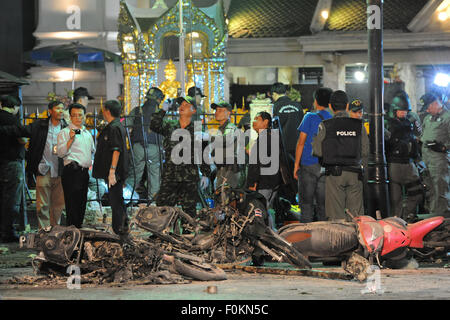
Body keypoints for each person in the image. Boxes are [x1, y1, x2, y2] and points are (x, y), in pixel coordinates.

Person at [312, 90, 369, 221]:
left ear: (331, 106)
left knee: (336, 218)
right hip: (355, 174)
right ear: (347, 106)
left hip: (334, 175)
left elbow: (318, 151)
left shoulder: (325, 125)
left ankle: (341, 241)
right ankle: (357, 241)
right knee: (357, 218)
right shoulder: (359, 125)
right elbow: (365, 151)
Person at [150, 96, 211, 219]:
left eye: (186, 105)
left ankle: (187, 236)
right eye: (181, 105)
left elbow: (204, 152)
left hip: (189, 176)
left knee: (189, 210)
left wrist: (205, 173)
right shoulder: (170, 126)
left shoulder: (197, 129)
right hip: (170, 174)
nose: (182, 107)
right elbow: (154, 125)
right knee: (163, 206)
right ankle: (162, 234)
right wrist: (163, 110)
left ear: (193, 110)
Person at [293, 88, 333, 223]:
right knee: (324, 208)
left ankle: (306, 239)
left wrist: (296, 165)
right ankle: (325, 239)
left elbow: (301, 143)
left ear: (316, 101)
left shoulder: (309, 117)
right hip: (326, 167)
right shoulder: (332, 119)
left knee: (306, 206)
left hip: (308, 165)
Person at [26, 101, 68, 229]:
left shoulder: (67, 127)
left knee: (58, 205)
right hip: (44, 168)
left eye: (62, 108)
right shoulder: (40, 126)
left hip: (60, 170)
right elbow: (21, 131)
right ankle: (44, 231)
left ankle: (55, 230)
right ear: (50, 111)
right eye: (57, 108)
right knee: (42, 205)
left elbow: (79, 135)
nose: (61, 111)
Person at [93, 100, 130, 236]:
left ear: (107, 111)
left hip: (115, 172)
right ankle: (123, 226)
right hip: (116, 171)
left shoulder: (114, 127)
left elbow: (116, 150)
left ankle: (119, 229)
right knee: (117, 199)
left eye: (103, 109)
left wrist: (112, 171)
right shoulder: (115, 126)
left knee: (116, 201)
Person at [385, 91, 423, 222]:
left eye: (406, 110)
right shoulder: (387, 124)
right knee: (396, 200)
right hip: (395, 164)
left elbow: (418, 136)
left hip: (409, 163)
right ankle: (398, 221)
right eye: (401, 110)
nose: (404, 113)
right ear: (394, 110)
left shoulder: (410, 122)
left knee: (418, 193)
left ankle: (407, 216)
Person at [57, 103, 95, 228]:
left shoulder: (87, 133)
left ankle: (78, 232)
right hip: (72, 171)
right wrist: (70, 140)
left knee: (81, 205)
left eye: (80, 115)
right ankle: (71, 234)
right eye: (74, 115)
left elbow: (92, 151)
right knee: (72, 206)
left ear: (84, 116)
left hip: (84, 173)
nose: (78, 118)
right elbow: (60, 153)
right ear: (70, 117)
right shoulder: (64, 132)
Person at [126, 87, 164, 203]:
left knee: (134, 175)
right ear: (159, 99)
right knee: (154, 176)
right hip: (155, 147)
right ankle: (152, 202)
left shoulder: (137, 110)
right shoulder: (161, 113)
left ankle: (128, 199)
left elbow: (125, 124)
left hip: (138, 147)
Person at [0, 95, 25, 242]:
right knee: (11, 199)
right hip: (11, 164)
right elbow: (22, 138)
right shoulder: (13, 120)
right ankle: (8, 232)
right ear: (15, 107)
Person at [420, 93, 449, 218]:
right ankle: (432, 218)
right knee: (429, 190)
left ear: (436, 104)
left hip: (439, 160)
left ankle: (444, 219)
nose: (427, 110)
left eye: (428, 107)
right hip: (426, 160)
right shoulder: (427, 118)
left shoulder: (447, 118)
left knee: (440, 191)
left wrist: (443, 147)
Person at [247, 111, 281, 216]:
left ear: (265, 122)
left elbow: (257, 163)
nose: (254, 121)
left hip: (263, 183)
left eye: (257, 119)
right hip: (273, 182)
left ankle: (265, 231)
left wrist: (252, 183)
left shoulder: (264, 138)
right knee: (267, 210)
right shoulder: (272, 136)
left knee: (259, 212)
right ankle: (271, 230)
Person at [210, 101, 244, 189]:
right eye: (216, 110)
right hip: (223, 169)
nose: (216, 112)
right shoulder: (221, 129)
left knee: (225, 199)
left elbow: (227, 139)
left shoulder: (230, 127)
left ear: (228, 113)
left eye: (220, 110)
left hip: (229, 170)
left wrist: (208, 137)